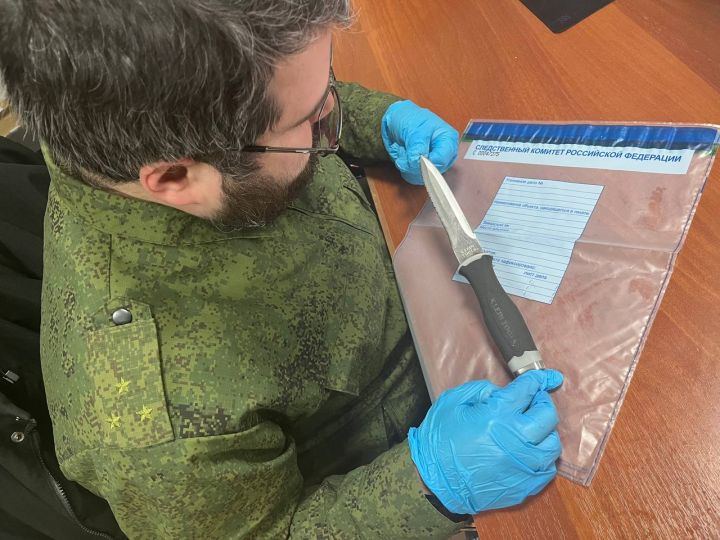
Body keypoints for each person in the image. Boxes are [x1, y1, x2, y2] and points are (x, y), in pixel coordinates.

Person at [0, 1, 563, 538]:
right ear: (174, 176)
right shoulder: (155, 430)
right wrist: (429, 487)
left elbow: (268, 101)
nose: (327, 120)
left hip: (421, 296)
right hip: (412, 433)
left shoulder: (145, 122)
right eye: (312, 120)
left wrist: (372, 119)